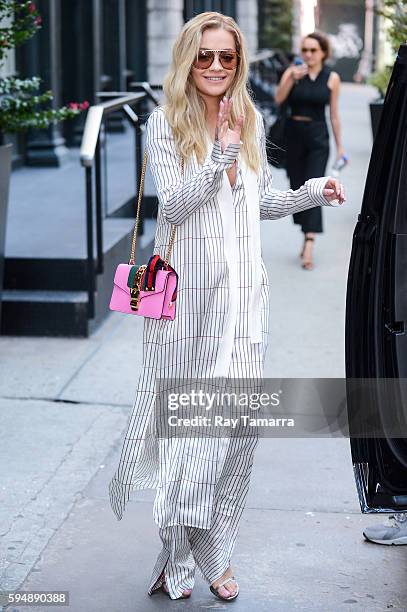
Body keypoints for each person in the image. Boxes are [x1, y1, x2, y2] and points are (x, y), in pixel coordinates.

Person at [108, 11, 345, 602]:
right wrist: (218, 155)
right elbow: (174, 210)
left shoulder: (252, 121)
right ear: (188, 60)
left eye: (227, 58)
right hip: (184, 306)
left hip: (243, 305)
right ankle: (184, 557)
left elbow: (259, 203)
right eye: (205, 56)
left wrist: (310, 193)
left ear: (238, 64)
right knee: (189, 436)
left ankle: (211, 553)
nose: (216, 67)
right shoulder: (165, 124)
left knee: (233, 434)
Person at [275, 31, 345, 270]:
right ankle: (306, 228)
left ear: (323, 53)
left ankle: (309, 241)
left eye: (313, 50)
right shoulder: (293, 72)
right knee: (297, 187)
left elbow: (334, 115)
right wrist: (290, 78)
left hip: (318, 137)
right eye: (304, 50)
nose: (308, 54)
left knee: (315, 186)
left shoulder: (331, 77)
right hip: (293, 135)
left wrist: (340, 147)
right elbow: (278, 99)